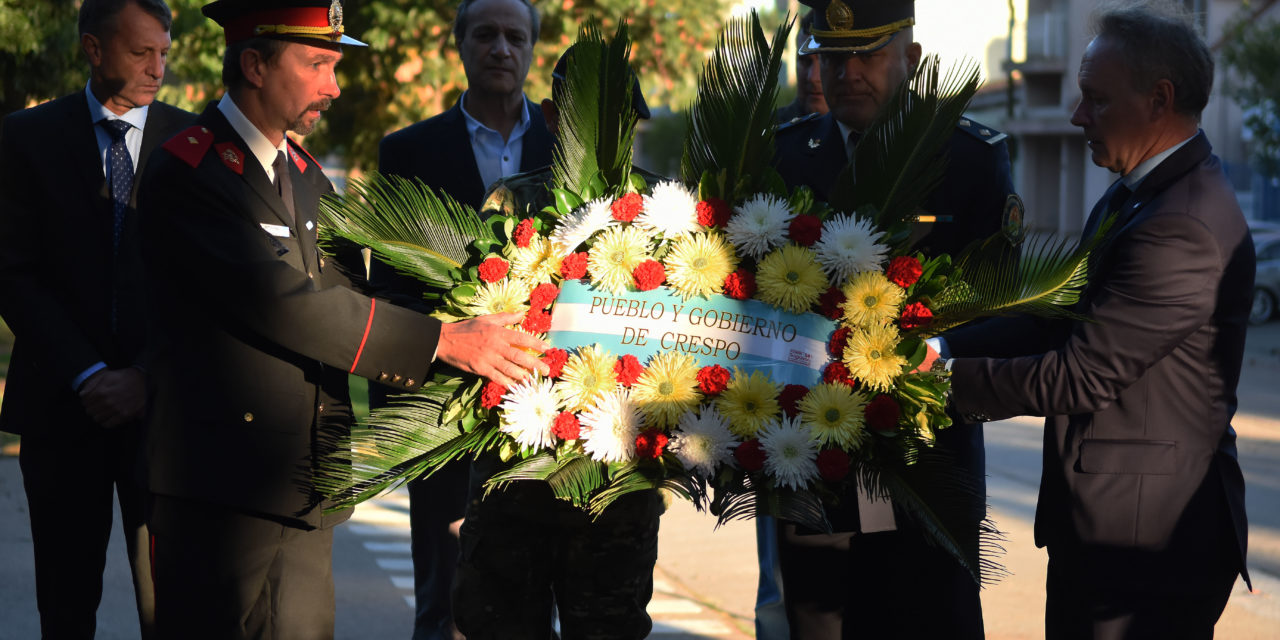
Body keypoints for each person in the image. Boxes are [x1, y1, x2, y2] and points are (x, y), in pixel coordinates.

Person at [135, 2, 547, 637]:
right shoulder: (189, 171)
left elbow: (357, 292)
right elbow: (280, 300)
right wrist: (442, 340)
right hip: (218, 492)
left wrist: (483, 324)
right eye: (317, 64)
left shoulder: (305, 179)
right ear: (254, 64)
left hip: (307, 483)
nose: (333, 85)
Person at [931, 2, 1252, 637]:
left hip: (1147, 551)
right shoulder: (1138, 194)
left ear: (1159, 99)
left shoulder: (1180, 224)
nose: (1078, 116)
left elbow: (1080, 375)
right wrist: (929, 343)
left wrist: (934, 378)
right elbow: (1060, 319)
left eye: (1096, 100)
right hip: (1110, 531)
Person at [770, 1, 1019, 638]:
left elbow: (1005, 312)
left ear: (909, 56)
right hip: (814, 460)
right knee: (818, 623)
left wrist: (919, 357)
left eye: (869, 53)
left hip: (925, 466)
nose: (848, 71)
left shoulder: (969, 160)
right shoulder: (787, 159)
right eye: (833, 55)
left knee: (933, 620)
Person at [449, 48, 663, 640]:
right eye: (582, 123)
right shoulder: (509, 203)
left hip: (615, 490)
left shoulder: (671, 216)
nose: (602, 140)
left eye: (616, 123)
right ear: (549, 118)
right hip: (514, 479)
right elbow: (476, 315)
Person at [0, 1, 193, 637]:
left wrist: (143, 373)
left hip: (164, 416)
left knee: (171, 610)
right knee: (64, 605)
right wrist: (87, 374)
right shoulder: (24, 139)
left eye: (164, 52)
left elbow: (204, 285)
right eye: (142, 53)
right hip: (61, 408)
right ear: (92, 50)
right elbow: (13, 273)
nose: (157, 67)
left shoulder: (196, 144)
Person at [374, 2, 553, 636]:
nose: (500, 48)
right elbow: (390, 289)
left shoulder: (572, 154)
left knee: (537, 604)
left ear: (532, 48)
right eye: (486, 34)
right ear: (460, 46)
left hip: (552, 418)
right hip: (446, 420)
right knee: (446, 605)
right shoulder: (407, 153)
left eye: (514, 36)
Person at [774, 10, 827, 125]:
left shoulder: (869, 132)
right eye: (805, 61)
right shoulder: (767, 131)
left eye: (825, 61)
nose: (812, 77)